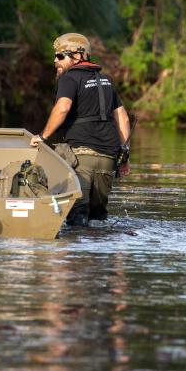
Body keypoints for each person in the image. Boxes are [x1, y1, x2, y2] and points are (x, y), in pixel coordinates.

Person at [30, 33, 130, 226]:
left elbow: (63, 108)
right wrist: (124, 156)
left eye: (60, 56)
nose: (55, 61)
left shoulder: (69, 78)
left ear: (78, 56)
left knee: (77, 218)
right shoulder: (106, 80)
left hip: (80, 159)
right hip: (108, 160)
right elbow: (123, 119)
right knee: (97, 219)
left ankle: (79, 255)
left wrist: (43, 136)